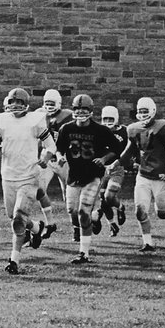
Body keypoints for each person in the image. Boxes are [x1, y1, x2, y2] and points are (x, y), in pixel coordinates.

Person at [42, 94, 125, 264]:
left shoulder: (100, 130)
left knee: (83, 211)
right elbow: (59, 148)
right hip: (74, 176)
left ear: (91, 111)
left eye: (84, 109)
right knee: (72, 211)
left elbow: (116, 149)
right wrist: (59, 156)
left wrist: (103, 159)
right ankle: (90, 224)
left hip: (93, 175)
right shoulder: (67, 128)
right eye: (77, 108)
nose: (80, 111)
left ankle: (84, 253)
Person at [0, 87, 56, 274]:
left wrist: (46, 158)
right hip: (8, 176)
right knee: (14, 217)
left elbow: (51, 145)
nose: (16, 105)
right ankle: (36, 228)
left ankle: (14, 260)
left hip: (29, 176)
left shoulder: (36, 120)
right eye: (13, 102)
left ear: (26, 105)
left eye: (20, 102)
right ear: (7, 103)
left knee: (18, 219)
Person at [119, 96, 165, 252]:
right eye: (140, 111)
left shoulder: (162, 127)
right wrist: (115, 163)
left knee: (163, 214)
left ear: (153, 111)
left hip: (160, 177)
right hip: (143, 175)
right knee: (140, 210)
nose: (142, 114)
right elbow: (130, 150)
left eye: (145, 111)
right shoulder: (133, 129)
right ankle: (148, 243)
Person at [39, 88, 74, 241]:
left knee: (69, 195)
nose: (49, 106)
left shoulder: (68, 116)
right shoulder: (38, 114)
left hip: (64, 158)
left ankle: (78, 226)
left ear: (59, 103)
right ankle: (50, 223)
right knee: (39, 189)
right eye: (47, 103)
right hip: (46, 157)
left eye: (52, 103)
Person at [93, 104, 130, 237]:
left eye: (110, 119)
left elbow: (130, 149)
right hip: (102, 170)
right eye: (105, 119)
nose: (108, 122)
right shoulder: (99, 131)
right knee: (103, 199)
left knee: (109, 196)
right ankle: (112, 224)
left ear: (116, 118)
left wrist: (133, 161)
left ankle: (120, 207)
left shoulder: (125, 131)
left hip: (116, 168)